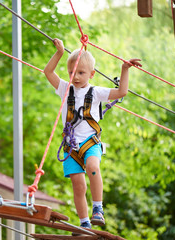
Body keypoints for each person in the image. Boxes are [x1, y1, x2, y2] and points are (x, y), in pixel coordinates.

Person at [44, 38, 141, 232]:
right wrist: (59, 53)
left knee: (93, 167)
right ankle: (84, 222)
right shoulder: (65, 88)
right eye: (72, 72)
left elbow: (122, 92)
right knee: (78, 186)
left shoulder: (96, 92)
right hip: (71, 146)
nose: (76, 76)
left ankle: (98, 208)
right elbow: (48, 72)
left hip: (90, 142)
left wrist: (124, 69)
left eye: (81, 73)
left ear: (92, 74)